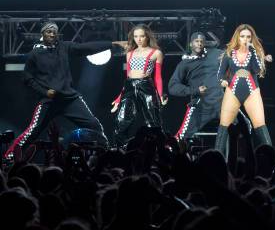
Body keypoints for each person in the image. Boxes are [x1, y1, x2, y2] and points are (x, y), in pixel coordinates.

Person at [3, 22, 122, 160]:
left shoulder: (64, 47)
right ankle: (9, 157)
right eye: (49, 31)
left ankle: (105, 155)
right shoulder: (34, 54)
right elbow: (27, 78)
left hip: (69, 99)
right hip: (49, 101)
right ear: (43, 34)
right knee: (33, 131)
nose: (52, 34)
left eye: (55, 32)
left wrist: (111, 44)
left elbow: (86, 48)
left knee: (94, 125)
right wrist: (44, 92)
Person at [215, 24, 273, 156]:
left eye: (248, 37)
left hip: (252, 92)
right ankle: (216, 161)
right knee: (224, 127)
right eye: (242, 36)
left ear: (252, 39)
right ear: (237, 37)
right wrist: (222, 81)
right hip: (232, 91)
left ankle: (270, 160)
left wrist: (254, 52)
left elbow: (257, 70)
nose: (245, 39)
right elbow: (219, 74)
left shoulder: (254, 53)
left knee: (260, 126)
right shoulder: (229, 53)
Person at [111, 24, 168, 148]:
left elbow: (158, 77)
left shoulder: (156, 52)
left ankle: (159, 150)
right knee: (122, 120)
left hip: (146, 86)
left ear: (147, 36)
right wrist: (119, 97)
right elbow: (128, 76)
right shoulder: (129, 53)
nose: (139, 39)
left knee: (153, 120)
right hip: (130, 86)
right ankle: (121, 150)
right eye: (136, 36)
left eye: (142, 36)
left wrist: (159, 95)